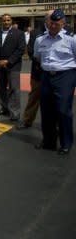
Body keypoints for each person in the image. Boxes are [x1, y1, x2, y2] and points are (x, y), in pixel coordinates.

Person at [33, 8, 76, 155]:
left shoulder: (72, 39)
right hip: (46, 75)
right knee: (46, 110)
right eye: (51, 23)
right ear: (47, 22)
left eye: (56, 24)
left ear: (63, 23)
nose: (53, 26)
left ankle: (66, 144)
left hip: (65, 76)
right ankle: (49, 141)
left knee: (63, 110)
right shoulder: (40, 39)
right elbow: (38, 57)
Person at [17, 12, 52, 129]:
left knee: (54, 102)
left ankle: (55, 125)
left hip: (57, 74)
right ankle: (27, 120)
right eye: (51, 19)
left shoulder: (66, 30)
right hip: (39, 72)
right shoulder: (36, 33)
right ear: (46, 20)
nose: (53, 22)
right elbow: (31, 51)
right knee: (34, 98)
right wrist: (45, 63)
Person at [0, 14, 25, 121]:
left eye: (8, 20)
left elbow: (20, 50)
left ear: (11, 21)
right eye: (4, 20)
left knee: (14, 89)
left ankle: (15, 113)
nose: (6, 22)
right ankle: (4, 108)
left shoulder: (19, 34)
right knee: (1, 89)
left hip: (13, 66)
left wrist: (8, 61)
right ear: (1, 22)